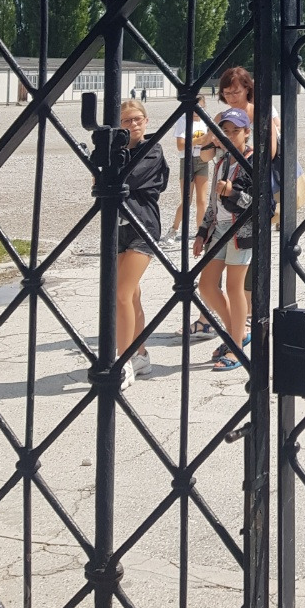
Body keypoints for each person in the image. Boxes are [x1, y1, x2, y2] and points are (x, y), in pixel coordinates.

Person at [194, 107, 256, 372]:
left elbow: (259, 203)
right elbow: (212, 204)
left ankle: (235, 346)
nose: (230, 136)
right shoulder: (221, 162)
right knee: (206, 285)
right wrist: (201, 232)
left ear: (247, 133)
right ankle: (236, 333)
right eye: (225, 132)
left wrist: (232, 193)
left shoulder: (252, 162)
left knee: (234, 287)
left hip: (241, 231)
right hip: (219, 229)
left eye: (235, 131)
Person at [115, 99, 170, 391]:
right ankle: (140, 356)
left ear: (146, 121)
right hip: (118, 229)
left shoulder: (153, 150)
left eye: (137, 119)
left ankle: (122, 361)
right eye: (127, 120)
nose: (133, 124)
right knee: (132, 294)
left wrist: (108, 168)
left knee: (121, 294)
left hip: (143, 227)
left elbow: (128, 179)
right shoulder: (116, 151)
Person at [164, 93, 210, 246]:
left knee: (202, 201)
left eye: (200, 107)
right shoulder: (183, 120)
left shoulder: (205, 121)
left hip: (202, 160)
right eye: (195, 107)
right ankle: (174, 229)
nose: (197, 111)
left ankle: (200, 234)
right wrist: (200, 140)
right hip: (187, 160)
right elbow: (180, 145)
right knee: (186, 201)